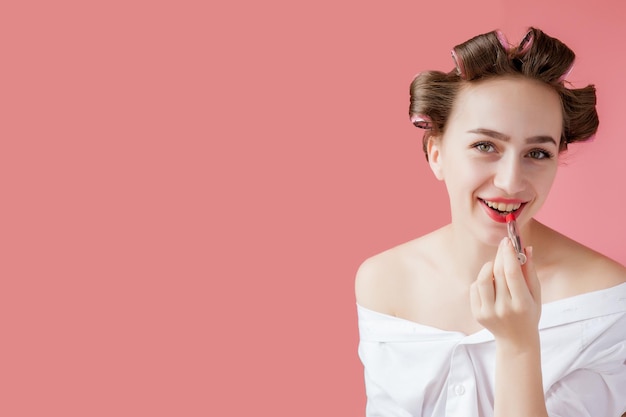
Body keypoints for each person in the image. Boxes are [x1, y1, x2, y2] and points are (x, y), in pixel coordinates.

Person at [355, 27, 626, 417]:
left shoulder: (605, 301)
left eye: (537, 153)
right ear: (436, 154)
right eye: (485, 146)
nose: (511, 181)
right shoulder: (383, 282)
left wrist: (519, 346)